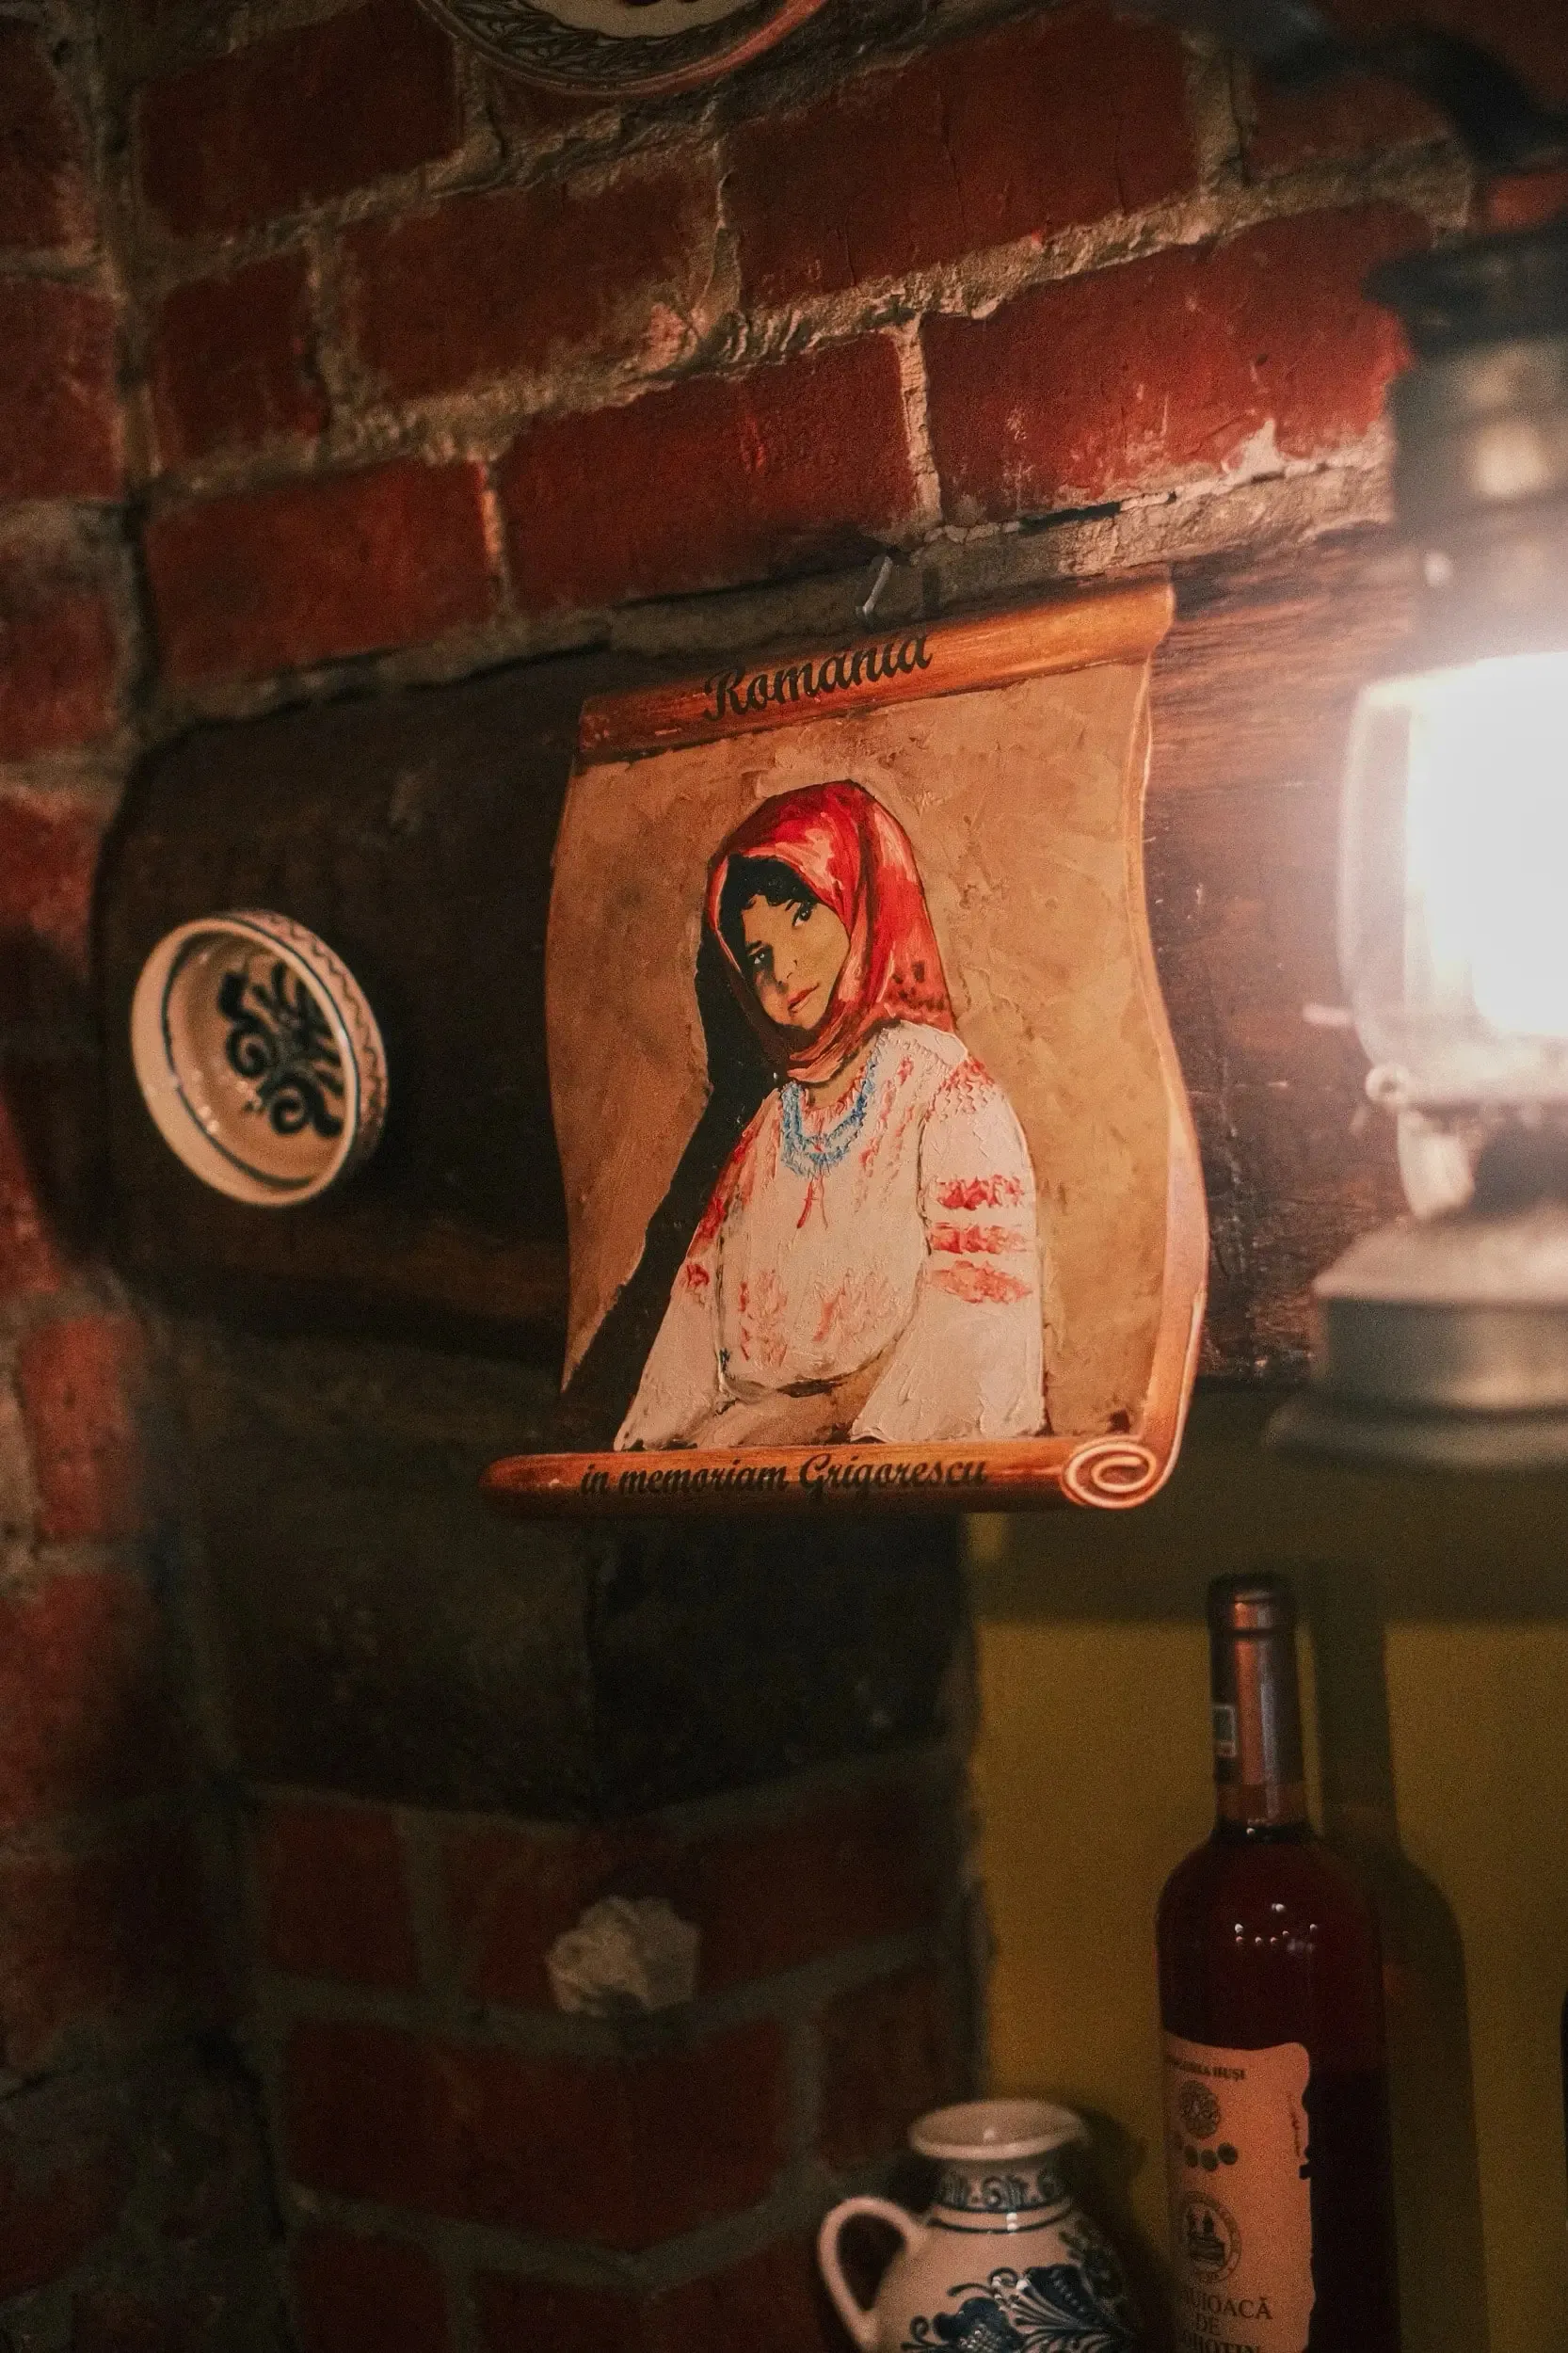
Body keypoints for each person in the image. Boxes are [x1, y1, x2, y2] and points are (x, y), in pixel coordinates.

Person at [616, 781, 1044, 1449]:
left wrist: (827, 1417)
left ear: (864, 905)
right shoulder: (768, 1129)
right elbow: (697, 1317)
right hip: (742, 1459)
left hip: (880, 1451)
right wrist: (663, 1442)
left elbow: (977, 1304)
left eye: (801, 918)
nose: (781, 969)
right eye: (755, 956)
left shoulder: (943, 1090)